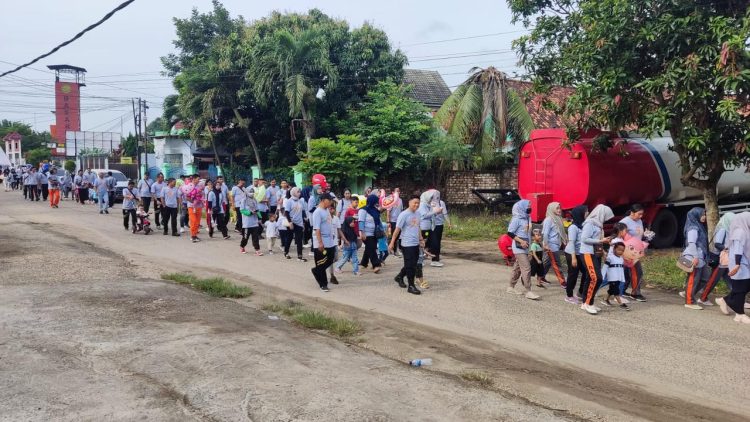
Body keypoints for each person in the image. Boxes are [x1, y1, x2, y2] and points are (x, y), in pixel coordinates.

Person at [580, 204, 615, 315]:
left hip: (595, 253)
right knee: (596, 278)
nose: (606, 219)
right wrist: (600, 241)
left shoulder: (598, 225)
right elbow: (584, 239)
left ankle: (586, 302)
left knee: (590, 278)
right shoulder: (590, 223)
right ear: (601, 214)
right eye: (605, 216)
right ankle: (588, 303)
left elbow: (597, 239)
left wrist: (603, 243)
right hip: (587, 253)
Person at [716, 212, 750, 324]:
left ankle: (724, 300)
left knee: (742, 288)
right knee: (741, 289)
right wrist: (737, 264)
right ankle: (739, 315)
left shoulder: (745, 230)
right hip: (739, 264)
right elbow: (738, 249)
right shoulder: (739, 232)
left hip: (744, 264)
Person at [700, 213, 738, 306]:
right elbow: (718, 244)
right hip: (719, 258)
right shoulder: (722, 229)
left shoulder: (728, 228)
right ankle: (702, 298)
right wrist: (728, 248)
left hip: (726, 257)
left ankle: (738, 299)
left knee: (731, 279)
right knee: (713, 280)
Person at [390, 194, 424, 295]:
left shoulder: (418, 214)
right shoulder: (404, 214)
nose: (416, 205)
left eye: (418, 203)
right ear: (409, 202)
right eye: (415, 203)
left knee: (412, 264)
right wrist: (392, 242)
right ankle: (411, 286)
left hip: (415, 243)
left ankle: (399, 277)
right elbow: (397, 229)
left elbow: (418, 227)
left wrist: (421, 239)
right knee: (411, 266)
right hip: (406, 243)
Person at [507, 199, 539, 300]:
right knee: (526, 267)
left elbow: (527, 232)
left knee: (518, 268)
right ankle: (528, 291)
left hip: (526, 246)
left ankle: (511, 287)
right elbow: (510, 233)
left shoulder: (527, 217)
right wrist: (521, 241)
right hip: (518, 247)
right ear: (522, 207)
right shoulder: (516, 219)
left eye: (530, 205)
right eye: (528, 205)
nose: (530, 207)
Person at [682, 207, 710, 310]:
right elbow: (691, 243)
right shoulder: (693, 227)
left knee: (705, 278)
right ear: (697, 215)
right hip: (695, 257)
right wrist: (695, 257)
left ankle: (688, 293)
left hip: (701, 257)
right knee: (693, 279)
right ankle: (689, 301)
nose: (704, 217)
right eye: (703, 214)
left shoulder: (699, 226)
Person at [621, 204, 649, 302]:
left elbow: (638, 235)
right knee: (637, 272)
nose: (641, 216)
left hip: (637, 250)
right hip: (629, 252)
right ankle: (636, 293)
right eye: (639, 214)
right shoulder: (624, 222)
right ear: (632, 213)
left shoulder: (639, 220)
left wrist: (646, 236)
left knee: (627, 272)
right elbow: (620, 236)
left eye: (642, 214)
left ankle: (622, 291)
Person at [310, 193, 337, 291]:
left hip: (329, 240)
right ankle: (323, 284)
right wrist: (320, 242)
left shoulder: (326, 211)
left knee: (330, 259)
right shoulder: (317, 212)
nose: (330, 203)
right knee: (321, 262)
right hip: (321, 241)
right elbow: (317, 229)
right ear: (324, 200)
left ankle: (315, 270)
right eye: (329, 200)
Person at [564, 205, 588, 304]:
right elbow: (571, 243)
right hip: (572, 253)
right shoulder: (573, 227)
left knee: (586, 272)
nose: (587, 214)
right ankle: (569, 295)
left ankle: (580, 293)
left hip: (580, 253)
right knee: (573, 274)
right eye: (586, 212)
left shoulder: (583, 225)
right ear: (580, 214)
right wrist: (574, 257)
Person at [542, 202, 568, 286]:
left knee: (547, 263)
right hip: (551, 245)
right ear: (552, 209)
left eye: (559, 208)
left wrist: (564, 240)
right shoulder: (549, 219)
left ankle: (540, 276)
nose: (559, 210)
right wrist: (546, 244)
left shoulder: (558, 218)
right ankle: (563, 282)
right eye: (557, 208)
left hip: (556, 244)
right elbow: (545, 233)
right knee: (557, 263)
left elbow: (560, 232)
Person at [600, 241, 630, 311]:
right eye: (619, 250)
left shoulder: (621, 259)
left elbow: (621, 269)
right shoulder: (610, 258)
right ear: (614, 249)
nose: (620, 252)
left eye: (622, 250)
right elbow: (605, 266)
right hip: (612, 277)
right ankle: (621, 304)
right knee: (616, 290)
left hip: (618, 277)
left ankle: (606, 300)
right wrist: (602, 275)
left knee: (611, 289)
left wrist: (622, 278)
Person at [359, 194, 383, 273]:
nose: (377, 203)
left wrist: (382, 230)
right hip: (366, 233)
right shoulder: (363, 210)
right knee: (372, 249)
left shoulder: (375, 210)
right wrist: (362, 232)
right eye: (376, 201)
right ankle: (375, 265)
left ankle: (364, 263)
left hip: (375, 233)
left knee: (369, 248)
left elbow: (379, 221)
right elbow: (361, 221)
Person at [284, 187, 308, 261]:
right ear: (293, 192)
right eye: (298, 192)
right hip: (291, 222)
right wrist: (290, 222)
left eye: (299, 192)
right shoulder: (289, 201)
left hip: (299, 223)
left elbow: (302, 212)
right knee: (289, 238)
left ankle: (300, 256)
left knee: (299, 239)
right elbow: (286, 213)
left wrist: (303, 222)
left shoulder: (300, 201)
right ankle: (286, 252)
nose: (299, 193)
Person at [239, 187, 262, 255]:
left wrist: (260, 218)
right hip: (247, 223)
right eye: (250, 192)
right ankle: (242, 246)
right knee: (245, 237)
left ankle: (257, 250)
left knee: (255, 238)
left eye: (253, 192)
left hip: (254, 223)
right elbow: (242, 210)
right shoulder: (244, 200)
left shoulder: (254, 200)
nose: (252, 193)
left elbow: (257, 209)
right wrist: (250, 213)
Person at [430, 197, 451, 267]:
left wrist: (449, 222)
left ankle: (436, 258)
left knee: (437, 242)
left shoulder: (441, 202)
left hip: (439, 225)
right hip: (430, 225)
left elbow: (445, 213)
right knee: (432, 242)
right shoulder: (428, 203)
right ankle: (433, 259)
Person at [186, 175, 205, 243]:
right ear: (193, 179)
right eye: (197, 179)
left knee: (197, 222)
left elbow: (202, 195)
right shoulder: (189, 186)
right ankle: (192, 235)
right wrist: (193, 201)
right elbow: (187, 197)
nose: (199, 180)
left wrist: (201, 199)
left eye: (199, 179)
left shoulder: (200, 186)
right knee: (193, 221)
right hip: (191, 206)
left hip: (199, 206)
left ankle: (195, 235)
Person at [385, 188, 402, 257]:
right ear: (393, 192)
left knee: (398, 236)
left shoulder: (400, 200)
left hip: (399, 221)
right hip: (392, 221)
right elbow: (388, 211)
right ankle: (392, 250)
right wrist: (388, 221)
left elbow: (401, 210)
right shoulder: (391, 200)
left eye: (399, 191)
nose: (398, 192)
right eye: (396, 191)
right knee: (392, 235)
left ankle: (394, 250)